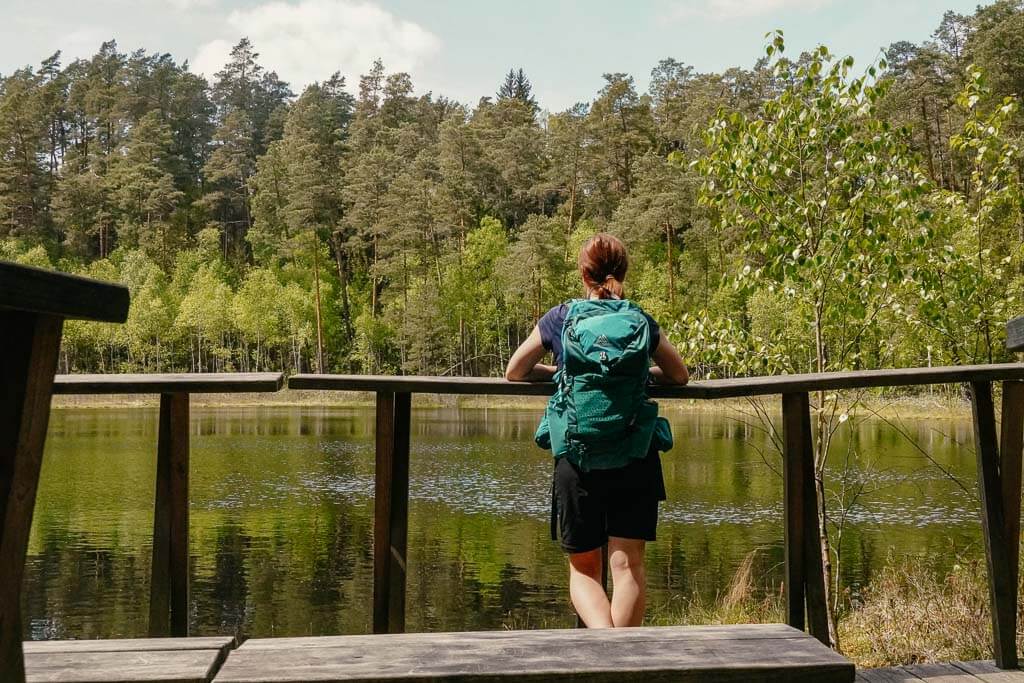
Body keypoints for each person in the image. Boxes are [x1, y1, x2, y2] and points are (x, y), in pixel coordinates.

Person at [504, 233, 689, 628]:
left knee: (584, 569)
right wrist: (641, 376)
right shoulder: (638, 319)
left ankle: (604, 652)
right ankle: (622, 661)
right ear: (622, 271)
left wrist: (558, 373)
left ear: (583, 274)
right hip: (635, 454)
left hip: (577, 457)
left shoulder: (561, 318)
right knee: (628, 565)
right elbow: (680, 374)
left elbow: (514, 370)